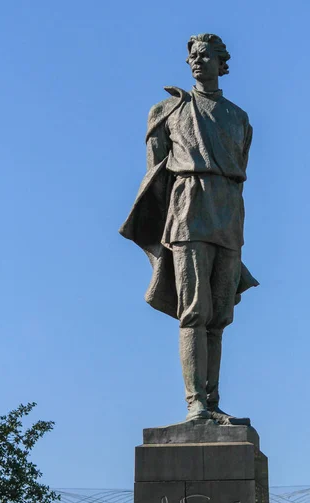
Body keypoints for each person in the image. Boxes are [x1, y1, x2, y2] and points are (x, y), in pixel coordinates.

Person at [120, 33, 258, 423]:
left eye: (205, 56)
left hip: (228, 213)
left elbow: (240, 171)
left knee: (219, 315)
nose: (197, 63)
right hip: (188, 210)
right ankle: (195, 403)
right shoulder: (168, 111)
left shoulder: (239, 118)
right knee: (194, 310)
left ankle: (212, 403)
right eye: (192, 58)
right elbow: (156, 175)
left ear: (221, 62)